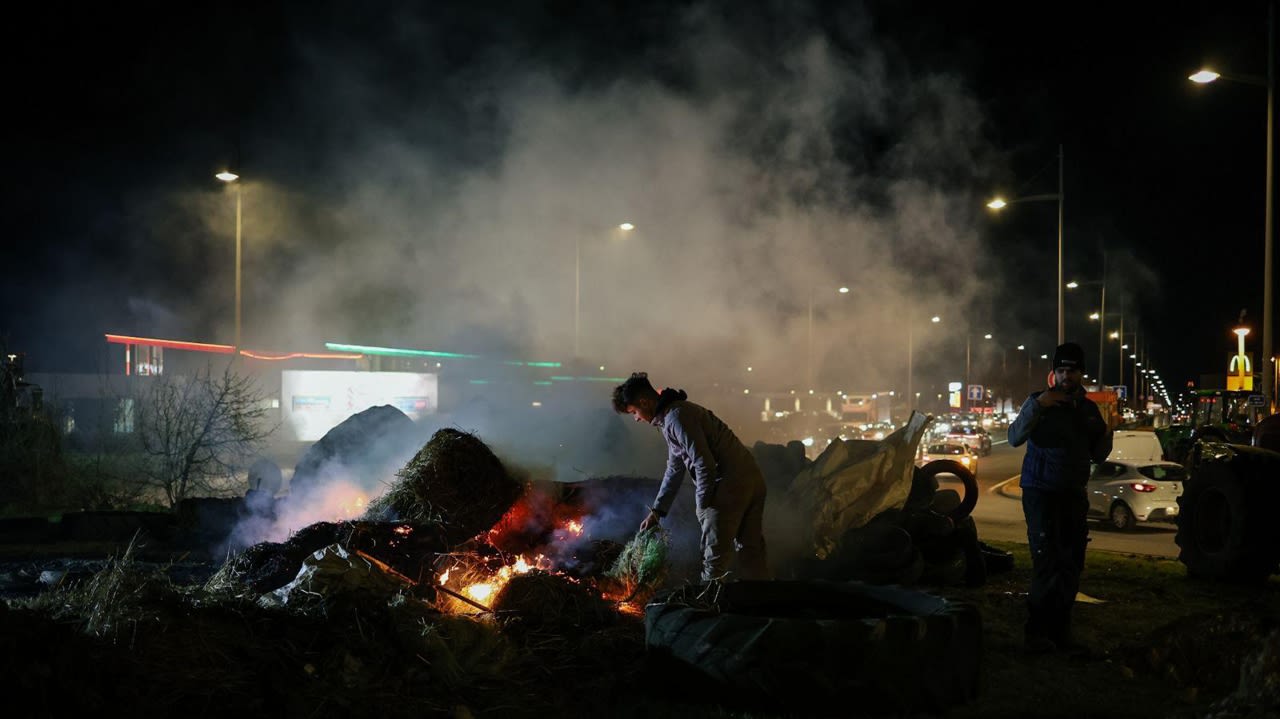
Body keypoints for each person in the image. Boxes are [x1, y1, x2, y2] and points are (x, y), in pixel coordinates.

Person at [611, 372, 771, 582]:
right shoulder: (675, 415)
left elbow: (704, 464)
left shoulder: (677, 418)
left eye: (634, 412)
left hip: (729, 486)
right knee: (752, 552)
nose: (637, 419)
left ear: (644, 401)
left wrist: (702, 504)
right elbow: (675, 468)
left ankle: (711, 608)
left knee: (714, 561)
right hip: (751, 478)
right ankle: (761, 604)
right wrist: (657, 511)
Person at [1007, 342, 1113, 655]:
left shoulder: (1088, 410)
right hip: (1040, 493)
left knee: (1070, 563)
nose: (1067, 376)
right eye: (1062, 370)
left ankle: (1061, 631)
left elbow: (1098, 455)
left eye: (1073, 370)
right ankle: (1037, 633)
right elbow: (1014, 438)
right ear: (1053, 372)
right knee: (1046, 561)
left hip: (1072, 494)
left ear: (1081, 374)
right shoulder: (1038, 403)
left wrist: (1108, 434)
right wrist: (1038, 405)